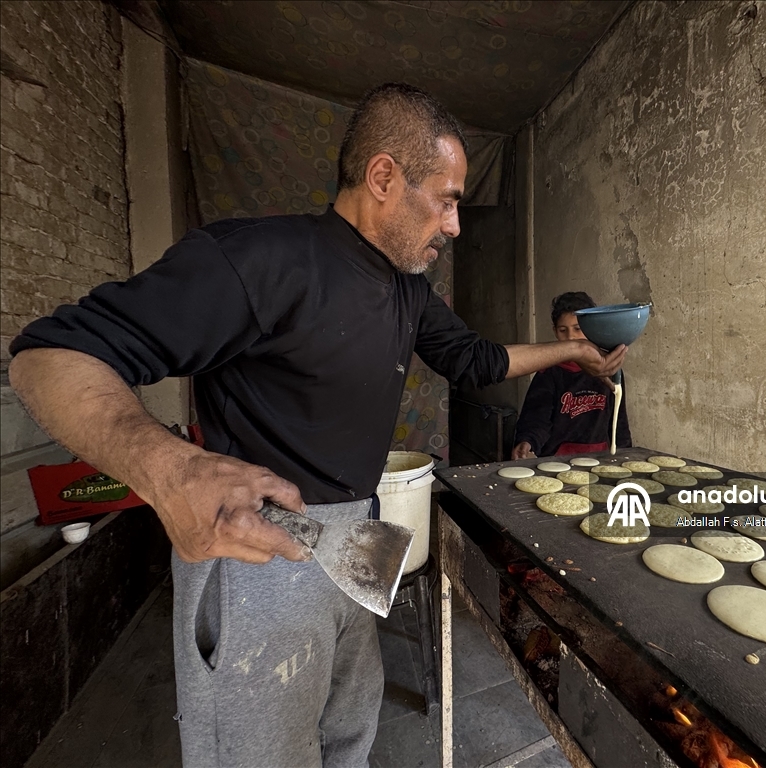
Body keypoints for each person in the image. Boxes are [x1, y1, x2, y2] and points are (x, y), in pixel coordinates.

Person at [8, 83, 625, 768]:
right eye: (447, 199)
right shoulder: (259, 260)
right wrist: (168, 467)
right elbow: (50, 357)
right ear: (384, 176)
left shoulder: (408, 290)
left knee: (348, 730)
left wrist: (575, 351)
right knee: (262, 754)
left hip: (362, 531)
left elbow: (476, 361)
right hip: (263, 548)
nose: (455, 224)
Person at [511, 292, 632, 459]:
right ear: (555, 331)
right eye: (563, 330)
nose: (571, 337)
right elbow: (537, 419)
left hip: (600, 460)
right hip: (557, 463)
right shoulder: (549, 373)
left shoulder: (609, 369)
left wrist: (625, 454)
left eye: (578, 329)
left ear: (592, 328)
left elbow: (619, 422)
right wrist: (527, 441)